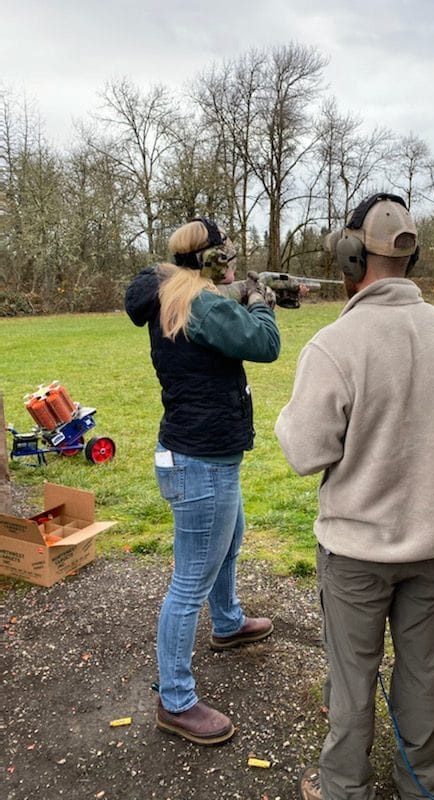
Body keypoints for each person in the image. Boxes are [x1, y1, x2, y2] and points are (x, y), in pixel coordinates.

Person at [275, 194, 434, 800]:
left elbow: (304, 452)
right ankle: (420, 786)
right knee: (426, 677)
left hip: (354, 559)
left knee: (352, 682)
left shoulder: (335, 345)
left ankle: (342, 788)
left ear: (350, 257)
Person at [125, 217, 280, 746]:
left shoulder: (176, 294)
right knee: (189, 583)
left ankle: (229, 622)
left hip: (195, 450)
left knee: (229, 542)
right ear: (211, 260)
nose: (234, 261)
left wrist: (244, 292)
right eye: (227, 255)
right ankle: (175, 700)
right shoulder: (201, 304)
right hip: (202, 458)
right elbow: (264, 344)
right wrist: (261, 301)